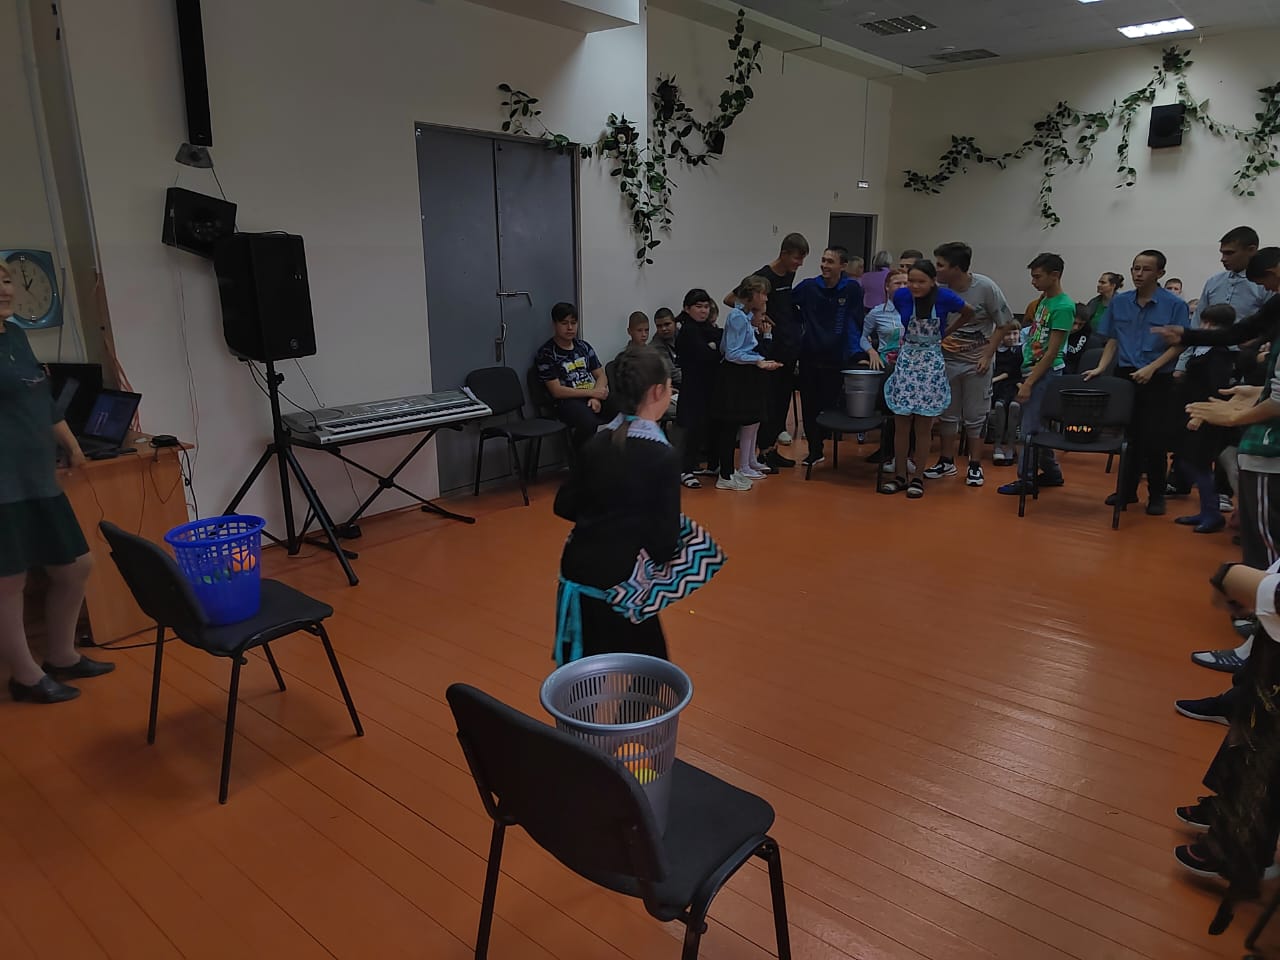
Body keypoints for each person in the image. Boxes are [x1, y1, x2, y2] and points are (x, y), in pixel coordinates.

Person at [0, 259, 112, 704]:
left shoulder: (15, 335)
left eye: (5, 280)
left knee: (75, 565)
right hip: (3, 482)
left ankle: (62, 655)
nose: (4, 290)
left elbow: (41, 399)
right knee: (8, 582)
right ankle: (25, 677)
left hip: (37, 475)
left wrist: (72, 444)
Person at [552, 345, 680, 663]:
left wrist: (606, 514)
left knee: (583, 677)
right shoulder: (662, 455)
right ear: (658, 391)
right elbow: (665, 545)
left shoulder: (597, 442)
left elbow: (564, 505)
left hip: (578, 573)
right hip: (622, 584)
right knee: (650, 672)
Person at [1084, 249, 1190, 515]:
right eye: (1135, 268)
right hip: (1126, 374)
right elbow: (1113, 338)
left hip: (1158, 376)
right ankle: (1127, 491)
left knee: (1154, 438)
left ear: (1160, 273)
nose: (1139, 274)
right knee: (1129, 437)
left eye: (1146, 269)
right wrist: (1101, 367)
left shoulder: (1174, 305)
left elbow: (1179, 344)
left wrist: (1152, 368)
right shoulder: (1120, 302)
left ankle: (1157, 495)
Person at [879, 259, 974, 499]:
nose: (914, 286)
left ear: (933, 281)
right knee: (901, 423)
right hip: (907, 361)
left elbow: (969, 311)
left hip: (931, 363)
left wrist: (946, 332)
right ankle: (900, 475)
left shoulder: (945, 297)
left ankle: (918, 477)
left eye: (921, 281)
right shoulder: (901, 297)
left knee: (923, 425)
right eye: (911, 281)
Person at [929, 241, 1017, 488]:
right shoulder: (939, 290)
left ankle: (975, 465)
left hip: (976, 362)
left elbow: (1004, 323)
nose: (937, 269)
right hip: (947, 360)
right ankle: (946, 461)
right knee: (947, 413)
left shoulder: (985, 287)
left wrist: (987, 355)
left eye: (941, 265)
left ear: (956, 268)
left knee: (975, 416)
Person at [725, 233, 809, 471]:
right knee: (768, 402)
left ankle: (770, 449)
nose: (799, 264)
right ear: (784, 254)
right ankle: (760, 451)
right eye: (796, 258)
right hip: (770, 346)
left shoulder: (789, 274)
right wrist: (757, 315)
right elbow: (730, 299)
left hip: (787, 345)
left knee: (782, 400)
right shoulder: (764, 276)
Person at [998, 254, 1075, 497]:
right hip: (1031, 368)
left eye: (1037, 277)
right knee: (1037, 427)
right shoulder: (1043, 300)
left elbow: (1052, 352)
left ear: (1055, 275)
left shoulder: (1064, 306)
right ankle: (1052, 473)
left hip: (1046, 373)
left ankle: (1027, 479)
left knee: (1029, 429)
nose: (1033, 281)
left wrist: (1029, 383)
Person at [794, 246, 865, 466]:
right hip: (810, 355)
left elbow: (855, 322)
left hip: (837, 357)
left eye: (830, 262)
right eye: (823, 260)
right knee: (809, 406)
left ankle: (824, 439)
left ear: (843, 266)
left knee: (830, 404)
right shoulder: (808, 287)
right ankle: (815, 450)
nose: (824, 265)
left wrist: (857, 353)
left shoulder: (851, 289)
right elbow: (787, 304)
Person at [712, 275, 783, 490]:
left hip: (740, 374)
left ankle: (729, 470)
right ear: (752, 294)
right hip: (732, 376)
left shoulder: (744, 315)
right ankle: (725, 475)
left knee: (734, 424)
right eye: (763, 294)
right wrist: (758, 360)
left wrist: (759, 359)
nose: (766, 299)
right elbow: (732, 352)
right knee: (729, 426)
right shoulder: (737, 317)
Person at [1174, 304, 1236, 533]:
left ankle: (1212, 513)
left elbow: (1216, 389)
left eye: (1211, 324)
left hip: (1205, 415)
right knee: (1187, 461)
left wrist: (1201, 417)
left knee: (1198, 463)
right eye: (1205, 322)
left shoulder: (1219, 353)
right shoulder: (1201, 348)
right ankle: (1206, 510)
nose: (1205, 327)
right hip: (1191, 409)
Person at [535, 302, 610, 447]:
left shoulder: (583, 347)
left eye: (573, 323)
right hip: (567, 401)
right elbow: (557, 391)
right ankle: (580, 457)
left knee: (624, 407)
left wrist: (595, 397)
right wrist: (592, 392)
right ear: (554, 325)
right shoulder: (546, 353)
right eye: (564, 323)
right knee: (588, 422)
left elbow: (601, 375)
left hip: (592, 396)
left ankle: (620, 454)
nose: (570, 328)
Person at [862, 269, 912, 471]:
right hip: (887, 366)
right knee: (890, 411)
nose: (902, 287)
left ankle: (907, 455)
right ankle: (888, 450)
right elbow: (862, 337)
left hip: (911, 367)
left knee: (910, 411)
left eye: (906, 283)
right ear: (887, 287)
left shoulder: (917, 310)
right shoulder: (877, 312)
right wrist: (871, 351)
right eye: (897, 283)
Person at [673, 289, 720, 488]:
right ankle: (685, 470)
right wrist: (712, 348)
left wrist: (713, 347)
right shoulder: (687, 330)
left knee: (709, 426)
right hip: (693, 387)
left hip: (708, 385)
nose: (703, 311)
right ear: (687, 308)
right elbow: (707, 354)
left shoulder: (707, 327)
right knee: (692, 429)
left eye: (706, 307)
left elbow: (720, 344)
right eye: (698, 307)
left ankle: (711, 464)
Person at [989, 327, 1025, 467]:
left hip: (1017, 385)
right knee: (999, 406)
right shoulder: (996, 352)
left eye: (1015, 333)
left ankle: (1011, 446)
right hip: (1001, 387)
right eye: (1008, 334)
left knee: (1014, 406)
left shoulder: (1022, 350)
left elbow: (1014, 372)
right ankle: (997, 445)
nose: (1012, 337)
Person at [1062, 302, 1105, 374]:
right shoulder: (1057, 331)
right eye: (1074, 323)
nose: (1076, 328)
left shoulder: (1087, 336)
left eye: (1081, 324)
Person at [651, 307, 681, 388]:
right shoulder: (656, 346)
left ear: (675, 323)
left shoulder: (683, 334)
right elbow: (673, 373)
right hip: (673, 385)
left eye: (667, 324)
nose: (663, 329)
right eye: (659, 326)